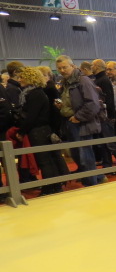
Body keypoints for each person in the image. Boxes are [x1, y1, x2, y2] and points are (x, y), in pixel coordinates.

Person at [15, 67, 68, 195]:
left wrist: (21, 132)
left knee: (44, 161)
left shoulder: (35, 94)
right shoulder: (35, 93)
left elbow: (32, 116)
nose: (19, 79)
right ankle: (55, 187)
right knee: (48, 160)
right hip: (41, 130)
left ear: (30, 78)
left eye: (22, 77)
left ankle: (49, 188)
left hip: (39, 131)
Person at [55, 55, 106, 186]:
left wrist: (78, 117)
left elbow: (93, 104)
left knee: (84, 156)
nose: (62, 70)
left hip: (82, 123)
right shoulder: (65, 82)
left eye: (65, 67)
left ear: (72, 66)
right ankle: (98, 177)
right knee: (77, 155)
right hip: (70, 123)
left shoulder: (83, 81)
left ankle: (91, 184)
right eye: (59, 68)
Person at [92, 59, 116, 170]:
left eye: (110, 69)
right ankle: (107, 164)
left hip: (106, 117)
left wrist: (109, 116)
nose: (108, 71)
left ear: (97, 66)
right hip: (102, 116)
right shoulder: (101, 79)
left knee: (110, 142)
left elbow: (109, 100)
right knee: (104, 143)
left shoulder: (103, 80)